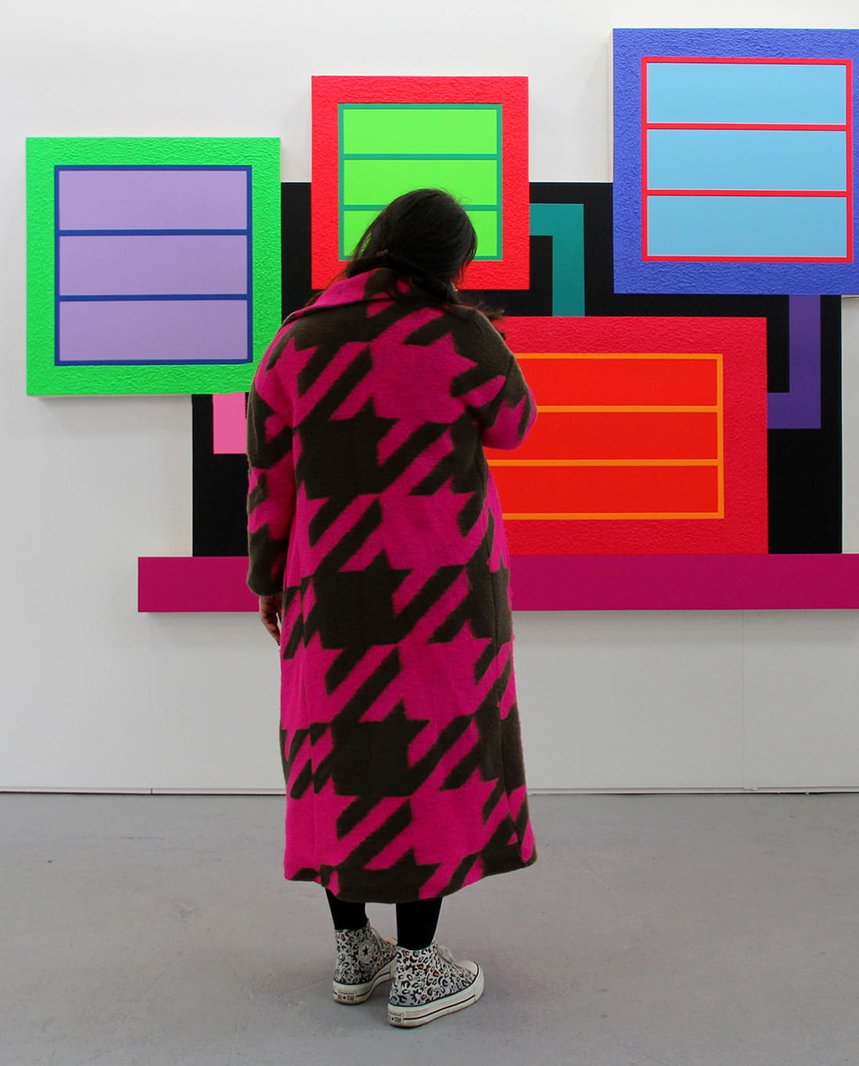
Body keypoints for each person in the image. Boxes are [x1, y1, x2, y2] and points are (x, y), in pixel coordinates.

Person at [244, 188, 539, 1028]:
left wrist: (269, 578)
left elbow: (268, 472)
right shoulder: (459, 334)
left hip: (330, 584)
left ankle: (353, 951)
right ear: (451, 262)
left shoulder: (297, 340)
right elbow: (515, 425)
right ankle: (417, 969)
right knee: (429, 756)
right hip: (443, 589)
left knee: (339, 753)